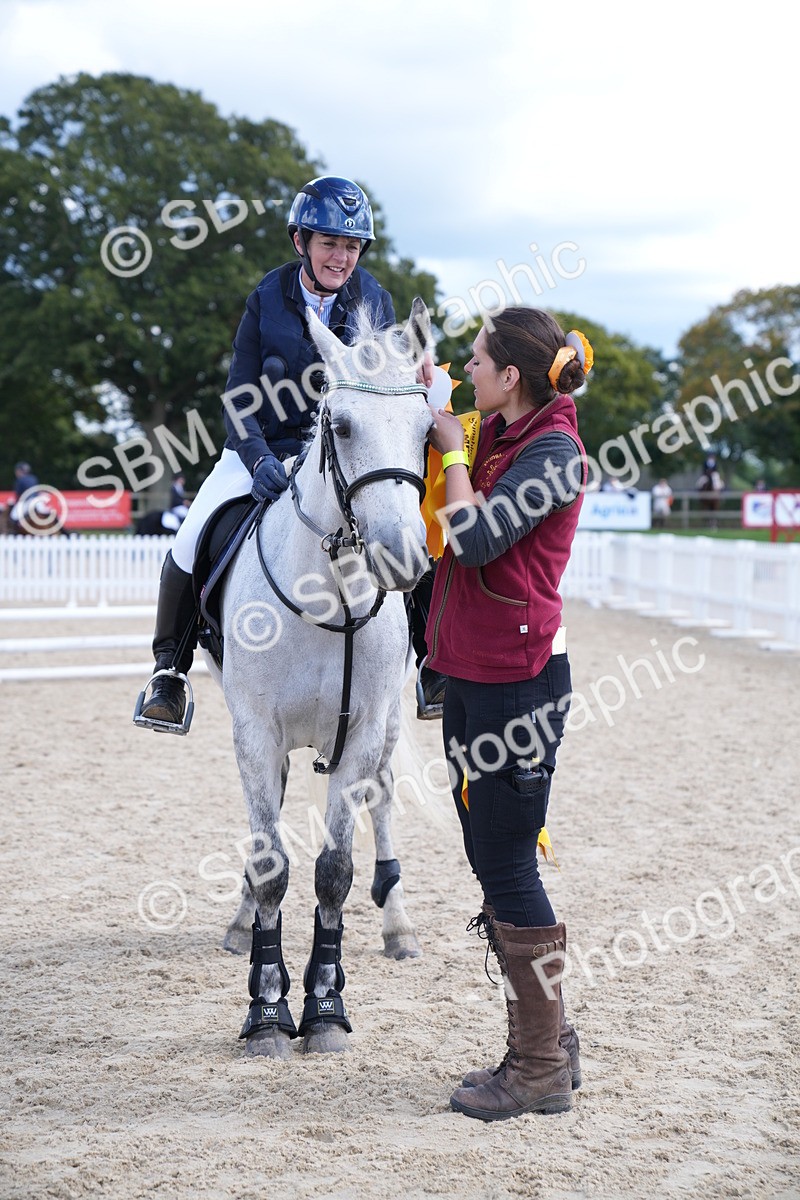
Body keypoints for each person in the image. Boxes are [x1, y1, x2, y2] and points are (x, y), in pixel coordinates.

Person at [136, 175, 435, 730]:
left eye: (351, 245)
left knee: (401, 525)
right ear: (301, 241)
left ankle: (430, 659)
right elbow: (239, 392)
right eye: (330, 243)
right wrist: (255, 459)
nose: (341, 256)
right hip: (265, 450)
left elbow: (381, 390)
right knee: (190, 536)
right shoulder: (267, 298)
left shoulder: (373, 298)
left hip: (343, 451)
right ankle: (168, 674)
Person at [424, 307, 592, 1120]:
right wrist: (432, 404)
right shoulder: (502, 433)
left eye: (478, 358)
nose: (469, 366)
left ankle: (536, 1069)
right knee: (494, 860)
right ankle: (552, 1042)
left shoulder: (554, 451)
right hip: (476, 674)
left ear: (512, 376)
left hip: (518, 683)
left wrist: (453, 446)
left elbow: (478, 539)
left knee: (510, 866)